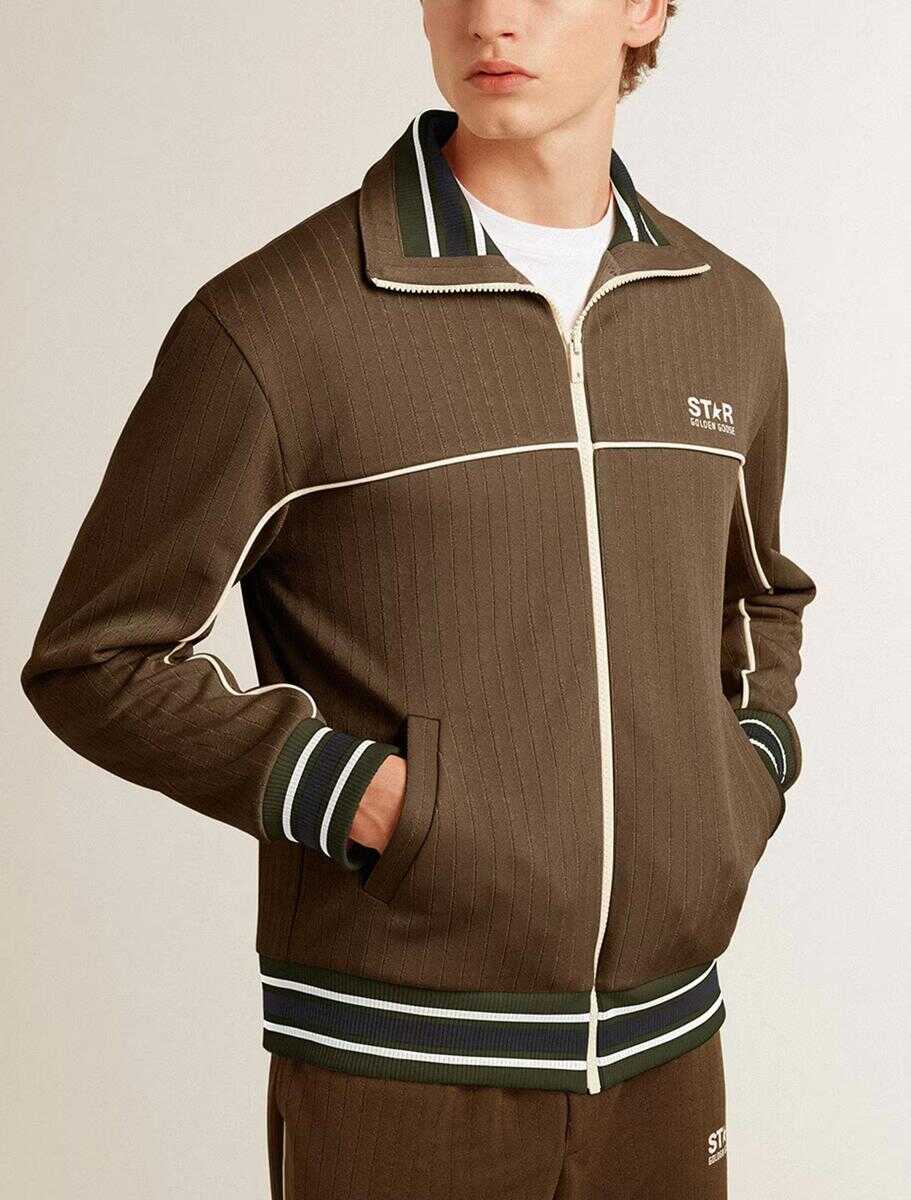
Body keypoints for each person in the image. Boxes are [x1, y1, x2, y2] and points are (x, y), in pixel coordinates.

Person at [20, 2, 817, 1196]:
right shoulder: (282, 323)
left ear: (645, 9)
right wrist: (368, 798)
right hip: (397, 1060)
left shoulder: (724, 315)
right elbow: (96, 658)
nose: (490, 18)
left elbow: (755, 596)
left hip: (667, 1045)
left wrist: (742, 773)